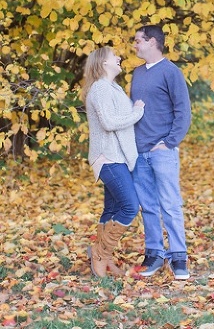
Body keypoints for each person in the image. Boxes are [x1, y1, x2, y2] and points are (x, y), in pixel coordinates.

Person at [130, 25, 192, 280]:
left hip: (162, 150)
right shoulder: (137, 73)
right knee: (149, 206)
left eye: (137, 41)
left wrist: (169, 142)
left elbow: (183, 111)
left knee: (170, 204)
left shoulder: (171, 72)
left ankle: (179, 257)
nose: (134, 45)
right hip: (139, 151)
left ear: (153, 42)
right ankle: (154, 254)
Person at [83, 46, 145, 277]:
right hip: (108, 158)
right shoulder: (100, 88)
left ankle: (102, 257)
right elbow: (109, 122)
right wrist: (137, 112)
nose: (119, 58)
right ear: (103, 63)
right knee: (130, 206)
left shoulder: (112, 88)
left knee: (112, 208)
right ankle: (100, 253)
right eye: (114, 56)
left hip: (117, 157)